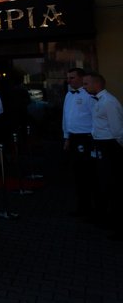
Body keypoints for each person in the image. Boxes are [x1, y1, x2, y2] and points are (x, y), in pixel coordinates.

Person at [83, 72, 123, 239]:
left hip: (110, 147)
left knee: (114, 186)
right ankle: (109, 220)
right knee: (104, 184)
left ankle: (118, 226)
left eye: (86, 83)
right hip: (100, 146)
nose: (84, 87)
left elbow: (118, 130)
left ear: (96, 84)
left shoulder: (109, 102)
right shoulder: (99, 101)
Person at [62, 68, 96, 217]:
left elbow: (96, 118)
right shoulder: (68, 95)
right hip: (73, 138)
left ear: (82, 78)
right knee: (77, 174)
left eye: (72, 78)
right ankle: (81, 207)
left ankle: (91, 209)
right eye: (68, 78)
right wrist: (66, 137)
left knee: (88, 174)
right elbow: (66, 118)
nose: (69, 81)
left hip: (86, 138)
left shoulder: (89, 95)